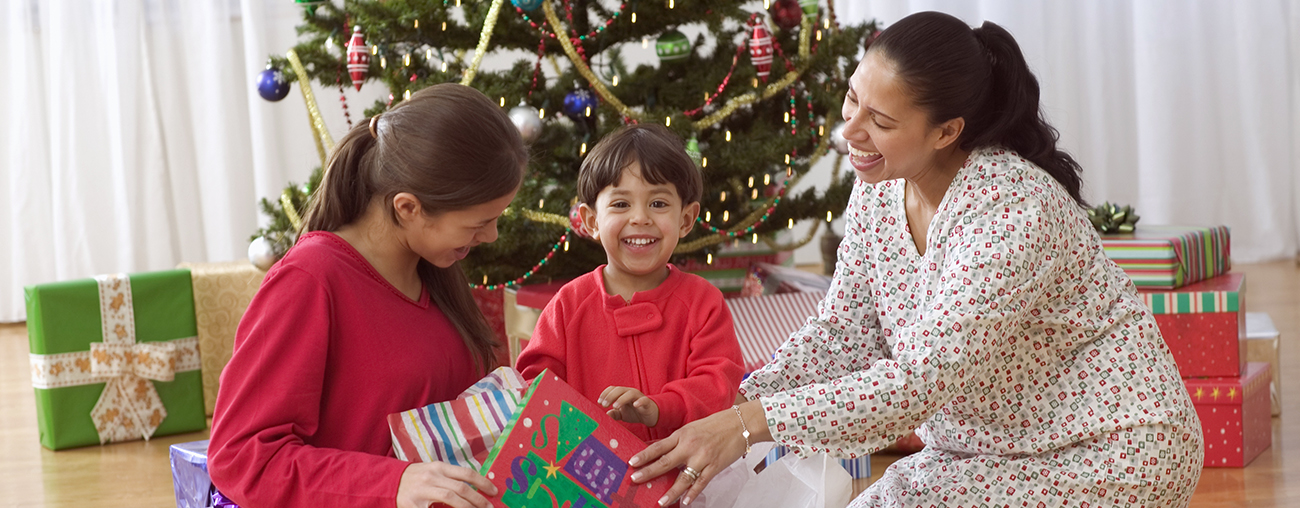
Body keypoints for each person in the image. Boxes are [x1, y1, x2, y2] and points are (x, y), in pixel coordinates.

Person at [627, 11, 1203, 508]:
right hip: (976, 452)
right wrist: (728, 404)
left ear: (947, 131)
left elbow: (918, 382)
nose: (849, 130)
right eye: (853, 98)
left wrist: (751, 425)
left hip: (1111, 451)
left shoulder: (1013, 209)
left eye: (880, 121)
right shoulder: (880, 187)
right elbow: (846, 334)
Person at [208, 83, 527, 508]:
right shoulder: (310, 280)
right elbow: (243, 457)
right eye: (478, 223)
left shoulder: (433, 267)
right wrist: (393, 484)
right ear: (408, 208)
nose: (492, 235)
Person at [515, 124, 745, 442]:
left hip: (685, 470)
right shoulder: (568, 304)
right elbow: (535, 387)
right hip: (586, 476)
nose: (640, 218)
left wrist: (659, 407)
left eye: (659, 204)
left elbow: (718, 384)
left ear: (686, 219)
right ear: (591, 221)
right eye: (621, 204)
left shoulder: (702, 302)